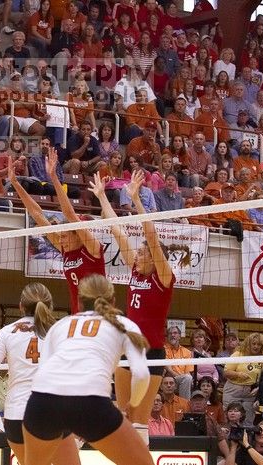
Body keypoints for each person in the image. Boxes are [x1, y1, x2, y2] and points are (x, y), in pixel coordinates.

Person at [90, 169, 190, 443]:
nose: (140, 254)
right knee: (122, 413)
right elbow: (116, 229)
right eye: (142, 252)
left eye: (145, 252)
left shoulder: (164, 277)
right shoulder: (135, 268)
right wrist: (101, 198)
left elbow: (153, 239)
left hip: (152, 353)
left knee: (140, 420)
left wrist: (136, 200)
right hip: (127, 347)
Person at [21, 274, 152, 465]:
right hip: (90, 402)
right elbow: (141, 374)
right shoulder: (125, 324)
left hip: (42, 403)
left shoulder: (60, 325)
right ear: (113, 301)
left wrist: (67, 415)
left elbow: (43, 372)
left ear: (79, 302)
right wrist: (133, 405)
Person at [0, 282, 81, 465]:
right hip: (50, 413)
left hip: (16, 416)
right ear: (50, 305)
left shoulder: (6, 333)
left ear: (21, 306)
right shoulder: (61, 331)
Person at [8, 148, 104, 314]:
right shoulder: (64, 248)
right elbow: (36, 213)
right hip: (77, 315)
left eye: (65, 235)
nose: (61, 239)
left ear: (78, 234)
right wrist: (15, 183)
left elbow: (69, 214)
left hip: (99, 314)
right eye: (61, 235)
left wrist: (53, 177)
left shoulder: (93, 249)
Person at [223, 333, 263, 425]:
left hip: (250, 393)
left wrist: (259, 388)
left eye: (259, 344)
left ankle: (246, 439)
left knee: (248, 421)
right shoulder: (238, 354)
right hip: (233, 390)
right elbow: (226, 373)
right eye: (254, 344)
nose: (256, 346)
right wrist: (238, 374)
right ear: (248, 344)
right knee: (231, 420)